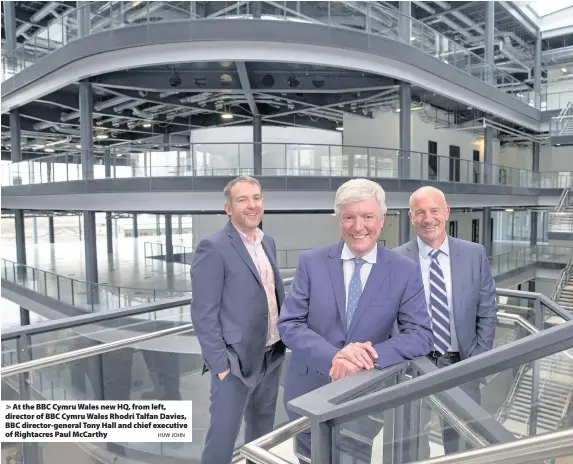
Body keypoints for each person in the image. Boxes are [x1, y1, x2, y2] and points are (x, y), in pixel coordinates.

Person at [278, 178, 433, 463]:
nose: (358, 226)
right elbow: (290, 324)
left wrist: (366, 356)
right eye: (349, 217)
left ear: (382, 219)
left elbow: (421, 334)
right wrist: (335, 356)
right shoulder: (311, 262)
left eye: (367, 216)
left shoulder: (404, 270)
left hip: (365, 397)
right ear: (339, 219)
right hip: (308, 392)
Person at [394, 185, 497, 458]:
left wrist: (478, 360)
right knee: (412, 442)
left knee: (462, 444)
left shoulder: (474, 254)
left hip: (462, 364)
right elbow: (390, 318)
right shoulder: (395, 259)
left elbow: (486, 310)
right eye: (420, 213)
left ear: (447, 212)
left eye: (434, 211)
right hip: (414, 367)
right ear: (411, 217)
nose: (428, 219)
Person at [190, 176, 286, 464]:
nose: (252, 205)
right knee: (222, 441)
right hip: (234, 365)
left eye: (256, 198)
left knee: (262, 438)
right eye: (242, 199)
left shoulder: (267, 241)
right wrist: (220, 366)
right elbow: (203, 313)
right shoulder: (213, 246)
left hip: (271, 355)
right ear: (228, 208)